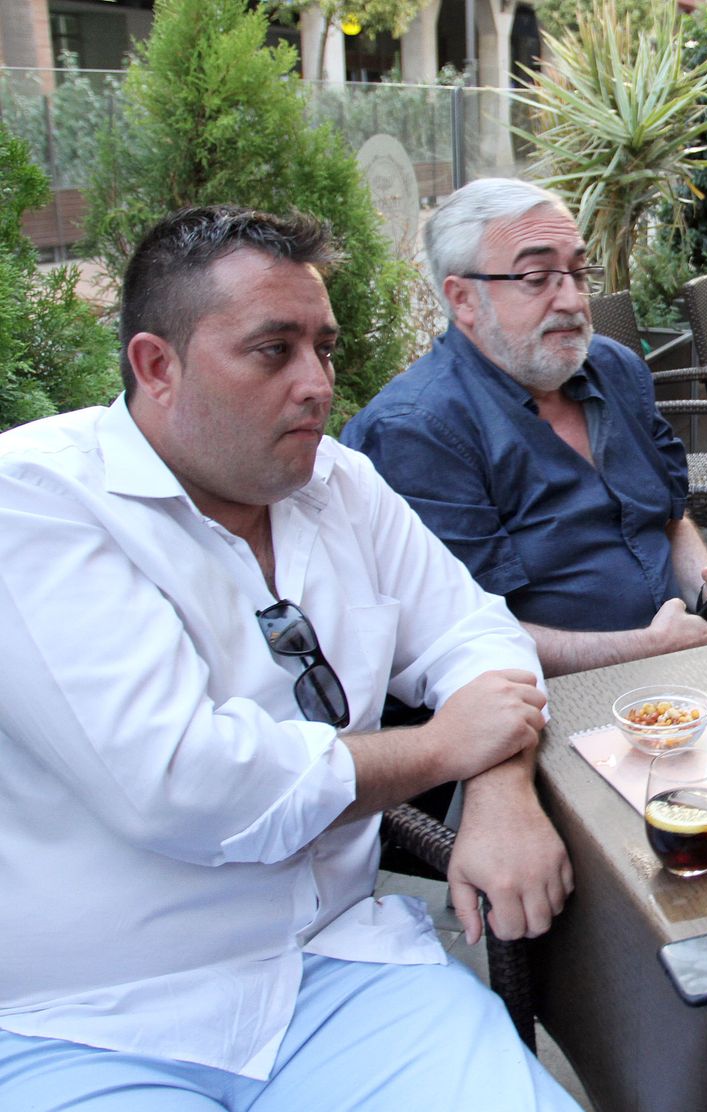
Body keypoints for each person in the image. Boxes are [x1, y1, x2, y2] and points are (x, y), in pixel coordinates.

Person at [0, 206, 579, 1109]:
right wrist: (437, 752)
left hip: (337, 974)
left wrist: (499, 793)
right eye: (274, 350)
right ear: (158, 366)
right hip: (90, 1022)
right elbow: (181, 782)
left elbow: (478, 634)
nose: (317, 383)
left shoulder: (338, 484)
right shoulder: (36, 502)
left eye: (325, 346)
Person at [342, 179, 707, 677]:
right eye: (537, 277)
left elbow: (667, 518)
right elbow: (455, 637)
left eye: (579, 273)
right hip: (546, 703)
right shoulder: (416, 431)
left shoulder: (616, 369)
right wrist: (644, 648)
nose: (573, 301)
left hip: (676, 671)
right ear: (464, 299)